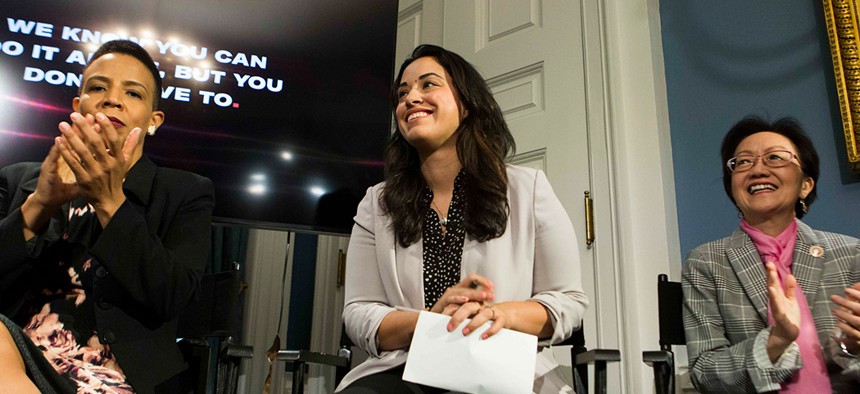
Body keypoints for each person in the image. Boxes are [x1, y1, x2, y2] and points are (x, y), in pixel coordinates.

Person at [337, 44, 588, 393]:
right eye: (403, 93)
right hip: (408, 366)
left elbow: (568, 301)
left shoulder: (527, 188)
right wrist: (427, 323)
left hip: (501, 364)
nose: (411, 98)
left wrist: (504, 315)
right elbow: (359, 312)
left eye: (428, 85)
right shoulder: (376, 204)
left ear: (466, 105)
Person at [0, 40, 214, 393]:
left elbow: (173, 296)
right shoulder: (18, 181)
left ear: (153, 121)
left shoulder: (185, 192)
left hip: (119, 380)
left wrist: (110, 201)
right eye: (98, 87)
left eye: (133, 93)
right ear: (77, 105)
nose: (112, 98)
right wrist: (39, 204)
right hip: (21, 364)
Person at [682, 116, 860, 393]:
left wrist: (852, 346)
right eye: (742, 162)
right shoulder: (706, 262)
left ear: (805, 185)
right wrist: (775, 341)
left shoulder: (851, 253)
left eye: (775, 158)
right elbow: (705, 373)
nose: (757, 170)